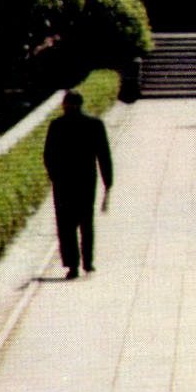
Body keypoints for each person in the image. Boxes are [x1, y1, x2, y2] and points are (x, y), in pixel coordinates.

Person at [43, 89, 114, 278]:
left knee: (66, 224)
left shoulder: (57, 125)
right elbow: (104, 155)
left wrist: (54, 176)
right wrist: (108, 182)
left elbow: (48, 156)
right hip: (86, 179)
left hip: (63, 181)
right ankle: (88, 262)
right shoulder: (94, 124)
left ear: (65, 104)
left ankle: (72, 265)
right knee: (86, 221)